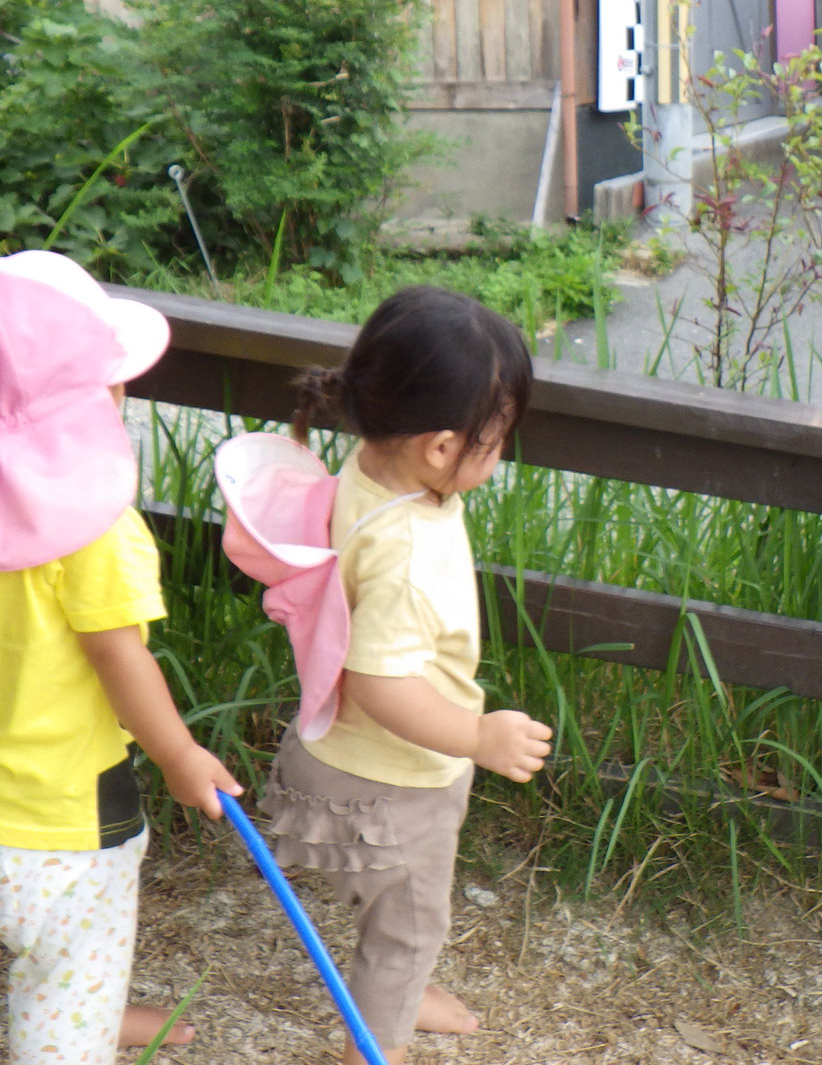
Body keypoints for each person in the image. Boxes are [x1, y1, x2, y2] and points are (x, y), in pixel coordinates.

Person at [0, 250, 241, 1064]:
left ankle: (92, 1007)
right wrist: (179, 754)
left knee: (61, 957)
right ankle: (77, 1025)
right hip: (68, 824)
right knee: (71, 969)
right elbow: (117, 656)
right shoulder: (100, 535)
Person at [260, 285, 553, 1065]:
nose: (497, 457)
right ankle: (378, 1034)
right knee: (411, 926)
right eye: (495, 443)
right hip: (394, 787)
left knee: (387, 908)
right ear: (440, 446)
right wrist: (477, 736)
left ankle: (399, 983)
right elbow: (383, 684)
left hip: (327, 753)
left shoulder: (367, 468)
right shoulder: (410, 554)